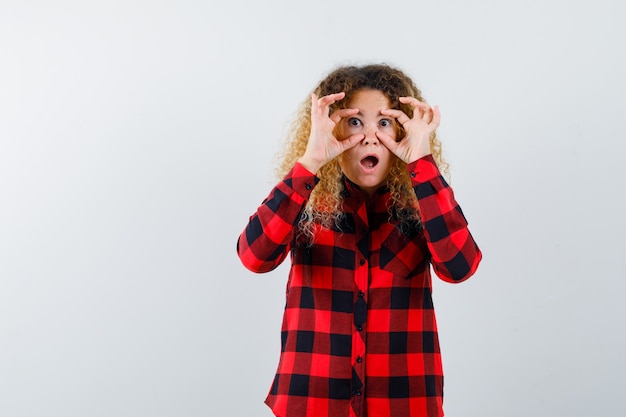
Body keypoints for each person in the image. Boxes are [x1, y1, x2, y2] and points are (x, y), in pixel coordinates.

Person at [236, 64, 482, 417]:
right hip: (312, 403)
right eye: (354, 121)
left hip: (403, 405)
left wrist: (422, 163)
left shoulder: (424, 207)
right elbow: (253, 256)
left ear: (401, 131)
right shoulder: (302, 203)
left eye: (383, 123)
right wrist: (311, 160)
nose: (369, 136)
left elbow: (461, 266)